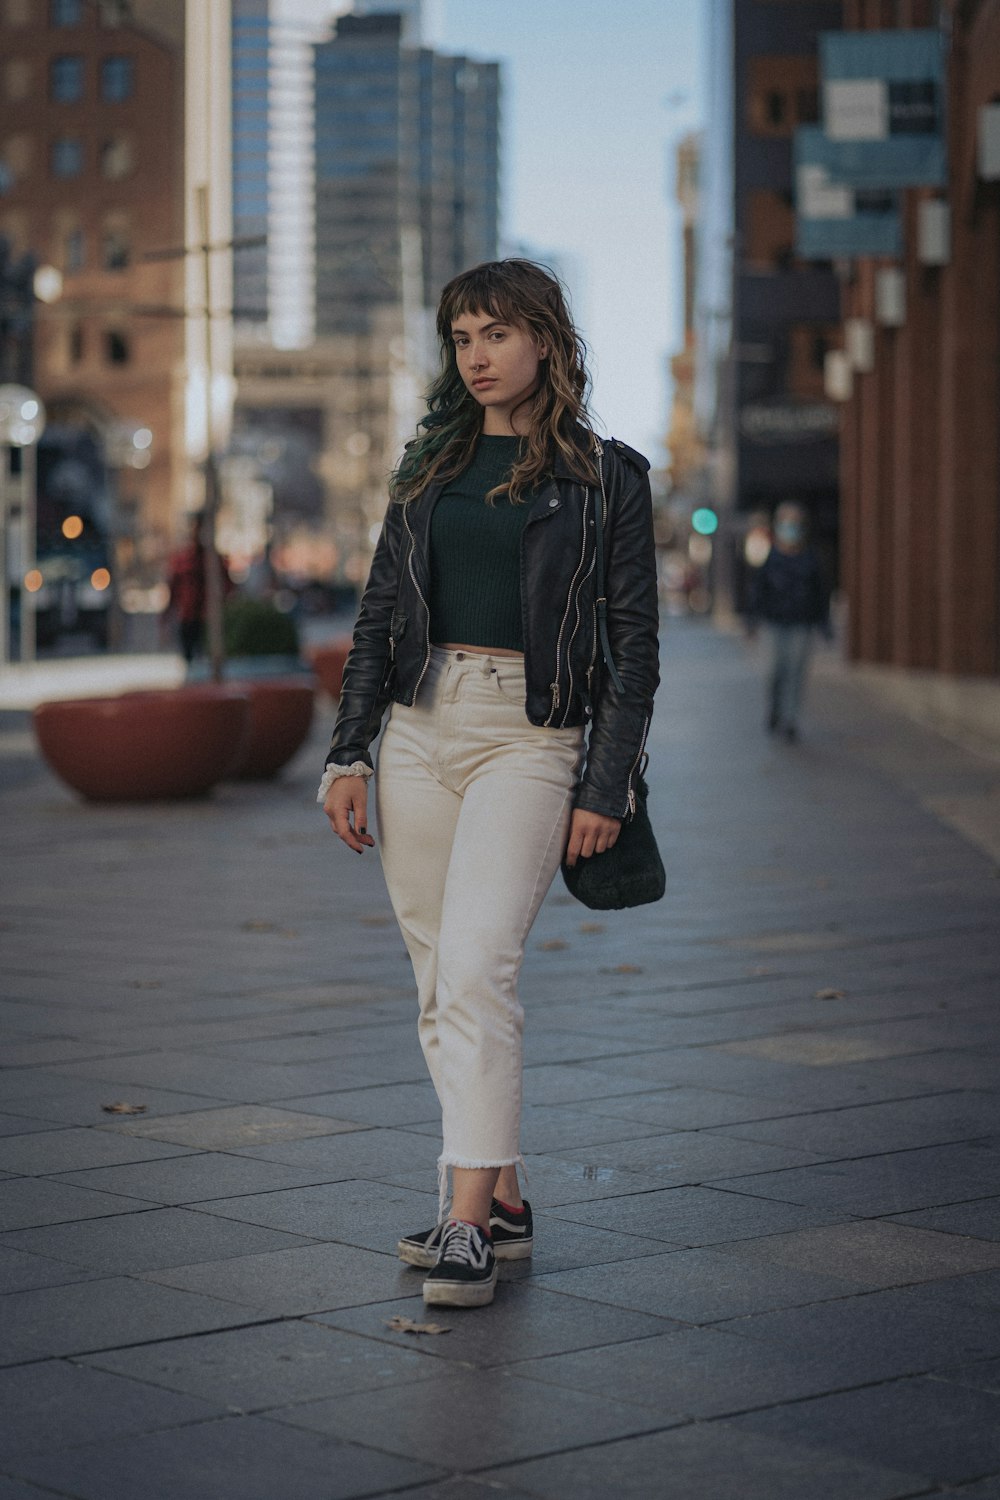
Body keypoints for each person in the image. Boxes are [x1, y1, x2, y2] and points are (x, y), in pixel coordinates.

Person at [319, 259, 660, 1308]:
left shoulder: (608, 477)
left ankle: (463, 1225)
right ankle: (501, 1194)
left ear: (546, 342)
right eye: (462, 335)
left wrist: (605, 787)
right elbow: (380, 613)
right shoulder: (428, 467)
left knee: (475, 965)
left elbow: (634, 648)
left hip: (532, 733)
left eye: (497, 334)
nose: (475, 355)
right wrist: (348, 752)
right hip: (420, 728)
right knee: (438, 976)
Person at [745, 501, 831, 743]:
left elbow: (820, 593)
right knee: (774, 671)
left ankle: (790, 719)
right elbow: (758, 590)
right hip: (774, 623)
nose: (790, 527)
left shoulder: (811, 559)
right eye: (786, 522)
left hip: (802, 624)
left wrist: (824, 624)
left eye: (795, 522)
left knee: (796, 671)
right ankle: (775, 708)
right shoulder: (769, 557)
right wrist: (751, 621)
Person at [164, 514, 233, 663]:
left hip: (208, 616)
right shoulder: (183, 559)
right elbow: (174, 586)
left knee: (207, 657)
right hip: (188, 616)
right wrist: (167, 614)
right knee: (188, 656)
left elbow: (227, 587)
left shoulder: (213, 559)